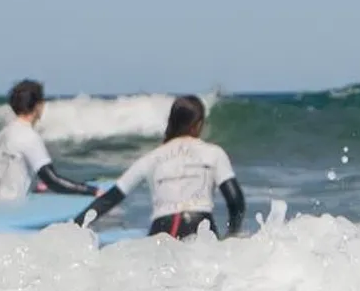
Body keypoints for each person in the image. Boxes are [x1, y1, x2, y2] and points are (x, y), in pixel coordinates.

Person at [77, 96, 246, 239]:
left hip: (162, 228)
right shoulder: (214, 153)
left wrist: (75, 226)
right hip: (200, 225)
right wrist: (232, 234)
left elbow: (111, 197)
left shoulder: (151, 158)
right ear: (198, 124)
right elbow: (235, 200)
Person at [0, 80, 98, 204]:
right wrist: (92, 191)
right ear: (38, 106)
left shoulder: (3, 134)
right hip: (19, 215)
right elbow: (54, 181)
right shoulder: (29, 136)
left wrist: (31, 189)